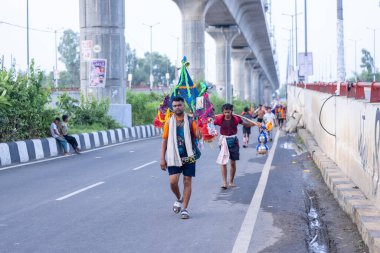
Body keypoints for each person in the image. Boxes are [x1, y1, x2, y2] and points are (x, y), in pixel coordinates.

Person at [160, 96, 199, 219]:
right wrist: (162, 158)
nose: (177, 107)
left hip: (189, 156)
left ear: (184, 106)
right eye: (175, 105)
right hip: (173, 157)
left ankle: (185, 209)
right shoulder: (168, 122)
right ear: (172, 107)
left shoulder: (191, 120)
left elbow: (199, 136)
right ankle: (179, 198)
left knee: (187, 181)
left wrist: (199, 124)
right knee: (173, 182)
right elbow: (165, 140)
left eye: (180, 105)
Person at [214, 103, 260, 189]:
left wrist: (255, 124)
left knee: (233, 163)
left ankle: (231, 181)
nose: (227, 114)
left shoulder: (236, 119)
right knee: (223, 162)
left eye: (228, 112)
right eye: (225, 112)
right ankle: (224, 182)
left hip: (234, 141)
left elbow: (246, 124)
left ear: (231, 111)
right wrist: (206, 120)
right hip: (224, 141)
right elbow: (211, 124)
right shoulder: (219, 119)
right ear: (223, 112)